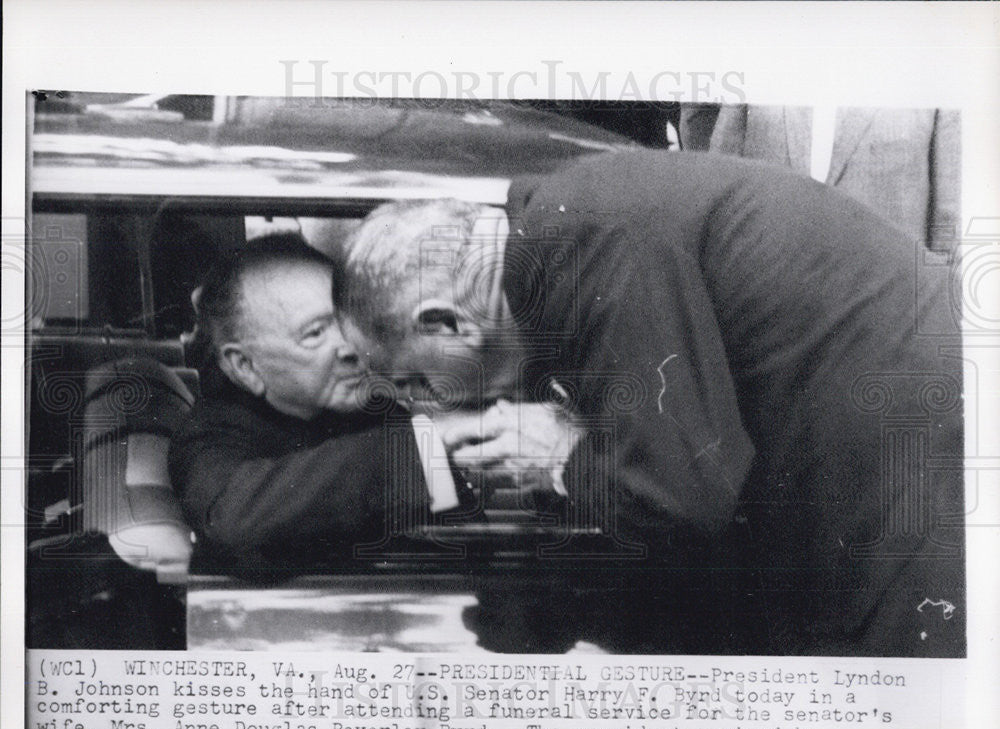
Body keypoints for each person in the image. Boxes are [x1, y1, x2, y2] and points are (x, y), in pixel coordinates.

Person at [344, 150, 965, 657]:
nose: (421, 408)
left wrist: (561, 457)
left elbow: (682, 500)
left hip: (903, 475)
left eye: (413, 383)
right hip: (868, 454)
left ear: (446, 324)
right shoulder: (555, 236)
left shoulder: (579, 242)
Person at [168, 234, 472, 581]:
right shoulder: (208, 436)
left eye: (345, 320)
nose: (349, 346)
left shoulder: (375, 405)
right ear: (244, 366)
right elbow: (235, 517)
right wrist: (429, 445)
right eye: (314, 333)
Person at [680, 103, 960, 254]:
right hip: (773, 327)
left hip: (887, 331)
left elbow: (949, 224)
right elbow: (721, 196)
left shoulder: (934, 60)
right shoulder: (765, 51)